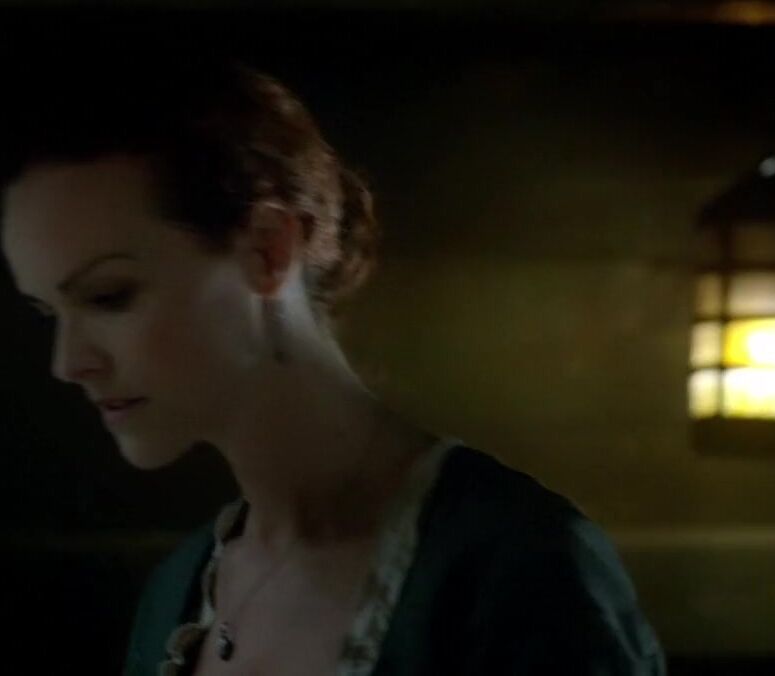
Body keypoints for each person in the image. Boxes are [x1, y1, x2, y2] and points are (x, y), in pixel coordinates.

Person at [0, 51, 665, 675]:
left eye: (110, 296)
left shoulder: (517, 571)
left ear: (267, 250)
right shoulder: (179, 592)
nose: (68, 363)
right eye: (50, 313)